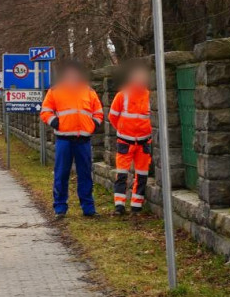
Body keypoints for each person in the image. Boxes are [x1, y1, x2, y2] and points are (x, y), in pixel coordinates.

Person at [39, 60, 104, 218]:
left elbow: (99, 112)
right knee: (61, 174)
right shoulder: (55, 91)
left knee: (85, 174)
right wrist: (55, 122)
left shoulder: (89, 91)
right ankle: (60, 208)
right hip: (64, 140)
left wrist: (94, 124)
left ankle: (88, 208)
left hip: (83, 140)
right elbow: (45, 112)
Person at [109, 61, 153, 215]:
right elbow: (113, 117)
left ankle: (136, 206)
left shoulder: (150, 96)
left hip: (144, 142)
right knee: (122, 174)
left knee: (141, 175)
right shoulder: (122, 95)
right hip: (125, 141)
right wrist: (123, 131)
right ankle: (119, 206)